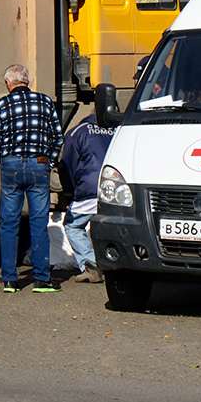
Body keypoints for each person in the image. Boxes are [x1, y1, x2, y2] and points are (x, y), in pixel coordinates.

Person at [0, 63, 63, 293]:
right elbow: (58, 138)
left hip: (11, 166)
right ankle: (42, 279)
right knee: (38, 223)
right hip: (39, 165)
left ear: (9, 83)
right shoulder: (46, 102)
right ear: (26, 82)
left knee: (9, 224)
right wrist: (48, 161)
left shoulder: (1, 105)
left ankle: (10, 280)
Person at [57, 86, 115, 284]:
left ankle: (90, 267)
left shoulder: (77, 132)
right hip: (115, 188)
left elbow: (67, 164)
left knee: (73, 225)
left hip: (89, 188)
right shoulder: (117, 130)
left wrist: (70, 192)